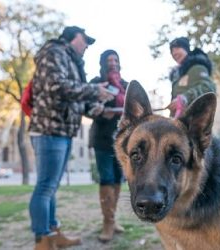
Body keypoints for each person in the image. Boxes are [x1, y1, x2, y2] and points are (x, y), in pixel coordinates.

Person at [28, 26, 114, 250]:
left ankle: (53, 233)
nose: (87, 46)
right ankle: (42, 240)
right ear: (73, 38)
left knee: (51, 187)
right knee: (46, 187)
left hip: (62, 131)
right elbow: (57, 87)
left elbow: (78, 101)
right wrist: (93, 90)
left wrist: (100, 105)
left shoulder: (73, 63)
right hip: (48, 130)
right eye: (85, 41)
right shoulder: (54, 52)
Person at [88, 49, 127, 243]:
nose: (113, 62)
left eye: (115, 59)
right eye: (109, 60)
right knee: (107, 179)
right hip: (102, 139)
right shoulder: (96, 83)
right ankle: (107, 222)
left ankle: (113, 218)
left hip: (123, 141)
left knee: (118, 179)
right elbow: (86, 108)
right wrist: (102, 112)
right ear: (103, 63)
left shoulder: (125, 85)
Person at [167, 37, 216, 117]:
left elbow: (208, 87)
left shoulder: (197, 68)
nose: (174, 53)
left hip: (194, 123)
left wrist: (185, 98)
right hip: (179, 122)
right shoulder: (177, 76)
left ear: (186, 49)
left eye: (177, 48)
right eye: (172, 50)